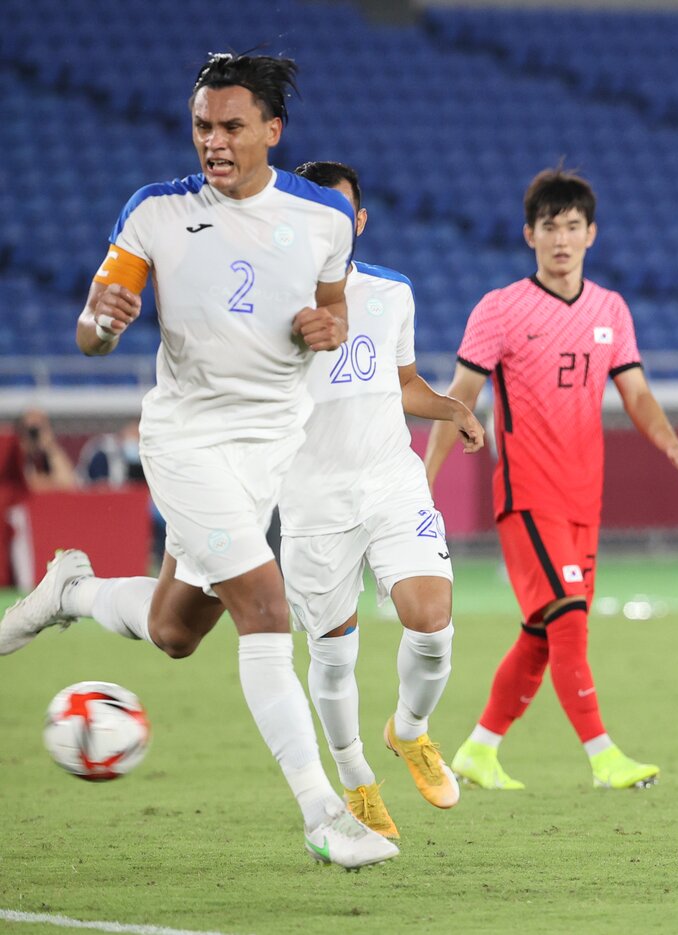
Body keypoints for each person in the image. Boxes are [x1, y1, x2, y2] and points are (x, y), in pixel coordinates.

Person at [0, 53, 398, 869]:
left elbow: (332, 307)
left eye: (231, 126)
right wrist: (104, 323)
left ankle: (71, 589)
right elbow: (91, 328)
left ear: (271, 131)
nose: (213, 142)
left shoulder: (322, 214)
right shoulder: (155, 212)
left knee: (176, 630)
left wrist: (324, 327)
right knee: (265, 607)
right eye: (201, 127)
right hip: (185, 440)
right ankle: (324, 813)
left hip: (268, 449)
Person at [424, 168, 678, 791]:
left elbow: (637, 393)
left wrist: (669, 442)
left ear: (591, 234)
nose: (561, 239)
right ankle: (605, 758)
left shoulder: (611, 309)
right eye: (550, 227)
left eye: (573, 227)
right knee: (570, 619)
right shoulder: (499, 310)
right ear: (529, 235)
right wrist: (425, 480)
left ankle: (478, 751)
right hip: (528, 498)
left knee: (542, 635)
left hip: (584, 500)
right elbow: (457, 399)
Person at [281, 160, 485, 839]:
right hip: (312, 497)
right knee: (333, 656)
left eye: (342, 213)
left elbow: (402, 383)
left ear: (359, 221)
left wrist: (451, 406)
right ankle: (356, 779)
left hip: (390, 477)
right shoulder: (266, 304)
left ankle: (411, 728)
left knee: (432, 620)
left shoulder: (392, 291)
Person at [15, 409, 78, 492]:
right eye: (30, 430)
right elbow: (18, 485)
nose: (34, 434)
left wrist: (50, 446)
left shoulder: (52, 454)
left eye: (38, 428)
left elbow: (70, 484)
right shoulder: (14, 457)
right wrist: (21, 447)